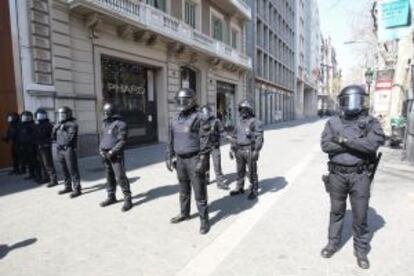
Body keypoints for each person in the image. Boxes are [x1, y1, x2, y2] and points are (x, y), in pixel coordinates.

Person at [320, 85, 385, 269]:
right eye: (349, 100)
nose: (353, 104)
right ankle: (333, 243)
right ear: (342, 102)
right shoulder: (333, 122)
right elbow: (326, 145)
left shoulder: (371, 122)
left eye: (358, 99)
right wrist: (355, 144)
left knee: (360, 214)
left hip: (360, 175)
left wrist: (343, 141)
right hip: (337, 175)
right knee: (336, 212)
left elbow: (371, 146)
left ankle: (361, 250)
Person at [166, 88, 211, 234]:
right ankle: (184, 213)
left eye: (184, 100)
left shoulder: (200, 117)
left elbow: (205, 141)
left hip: (194, 158)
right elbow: (170, 139)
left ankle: (204, 220)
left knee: (199, 191)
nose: (181, 103)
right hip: (180, 160)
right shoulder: (175, 118)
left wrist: (202, 160)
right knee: (183, 190)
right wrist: (169, 155)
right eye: (179, 101)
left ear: (192, 101)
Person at [227, 99, 264, 200]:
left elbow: (259, 137)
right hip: (239, 150)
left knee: (252, 171)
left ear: (249, 110)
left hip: (249, 149)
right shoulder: (239, 123)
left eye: (245, 110)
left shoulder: (255, 122)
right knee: (240, 171)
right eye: (241, 110)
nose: (242, 112)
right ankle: (239, 187)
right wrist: (231, 149)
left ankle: (254, 189)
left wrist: (257, 150)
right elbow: (234, 137)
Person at [99, 103, 132, 212]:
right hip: (105, 154)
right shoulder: (105, 123)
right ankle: (111, 196)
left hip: (115, 154)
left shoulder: (121, 124)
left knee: (120, 177)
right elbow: (103, 137)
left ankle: (128, 199)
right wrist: (101, 149)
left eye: (106, 112)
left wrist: (112, 151)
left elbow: (122, 141)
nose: (104, 114)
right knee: (109, 177)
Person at [53, 106, 81, 198]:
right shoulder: (58, 124)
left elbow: (70, 139)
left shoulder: (72, 124)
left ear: (68, 115)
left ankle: (77, 188)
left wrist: (63, 128)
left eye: (63, 115)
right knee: (63, 169)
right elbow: (53, 137)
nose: (61, 117)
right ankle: (67, 186)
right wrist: (55, 128)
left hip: (68, 149)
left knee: (72, 169)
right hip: (60, 149)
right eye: (60, 115)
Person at [199, 105, 227, 189]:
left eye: (207, 113)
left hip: (215, 146)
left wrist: (226, 137)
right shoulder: (199, 122)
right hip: (204, 147)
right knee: (204, 165)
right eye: (204, 114)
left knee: (217, 164)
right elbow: (195, 135)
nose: (205, 115)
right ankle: (206, 179)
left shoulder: (216, 121)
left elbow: (222, 131)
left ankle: (220, 182)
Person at [34, 108, 58, 187]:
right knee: (42, 163)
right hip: (39, 146)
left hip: (46, 147)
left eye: (42, 115)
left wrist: (47, 142)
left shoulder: (49, 125)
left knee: (48, 163)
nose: (40, 117)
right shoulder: (37, 125)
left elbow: (53, 136)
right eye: (39, 115)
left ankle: (53, 180)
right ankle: (46, 177)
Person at [18, 111, 40, 182]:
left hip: (32, 146)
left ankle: (38, 175)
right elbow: (21, 136)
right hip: (24, 146)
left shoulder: (33, 125)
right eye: (24, 117)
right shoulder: (21, 126)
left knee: (35, 161)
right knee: (28, 161)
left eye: (27, 117)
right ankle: (31, 174)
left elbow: (34, 136)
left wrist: (33, 144)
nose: (25, 119)